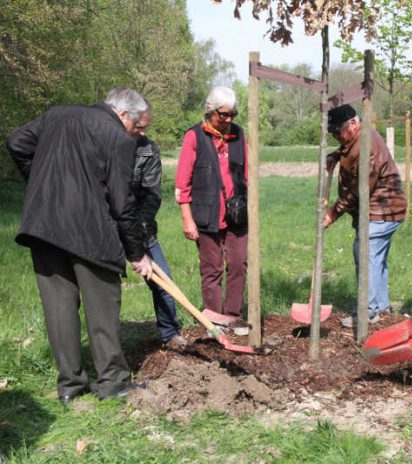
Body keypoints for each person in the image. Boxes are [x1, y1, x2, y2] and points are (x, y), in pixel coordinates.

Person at [6, 88, 152, 403]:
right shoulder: (116, 137)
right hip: (90, 230)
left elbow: (16, 142)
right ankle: (113, 381)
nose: (139, 136)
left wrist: (39, 182)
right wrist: (137, 253)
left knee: (59, 307)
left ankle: (70, 387)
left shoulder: (56, 115)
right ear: (123, 115)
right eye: (139, 128)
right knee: (103, 303)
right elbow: (122, 203)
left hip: (43, 225)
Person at [323, 104, 407, 328]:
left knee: (365, 254)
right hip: (385, 209)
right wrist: (335, 156)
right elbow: (347, 150)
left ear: (353, 123)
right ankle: (381, 310)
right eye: (331, 132)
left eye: (337, 131)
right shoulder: (356, 139)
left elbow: (359, 189)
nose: (335, 136)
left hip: (382, 209)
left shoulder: (365, 143)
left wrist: (333, 213)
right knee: (375, 259)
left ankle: (367, 312)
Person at [175, 86, 248, 327]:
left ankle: (233, 316)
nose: (228, 120)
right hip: (207, 215)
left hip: (237, 215)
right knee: (212, 268)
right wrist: (188, 218)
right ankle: (214, 322)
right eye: (223, 114)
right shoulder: (194, 136)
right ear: (211, 111)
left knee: (238, 264)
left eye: (232, 114)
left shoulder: (239, 135)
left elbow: (246, 175)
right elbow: (182, 182)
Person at [130, 104, 186, 350]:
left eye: (146, 127)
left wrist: (136, 232)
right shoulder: (102, 145)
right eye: (139, 126)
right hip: (105, 231)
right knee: (107, 293)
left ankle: (170, 333)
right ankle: (108, 347)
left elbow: (152, 196)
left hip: (141, 228)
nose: (143, 133)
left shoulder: (148, 150)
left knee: (163, 281)